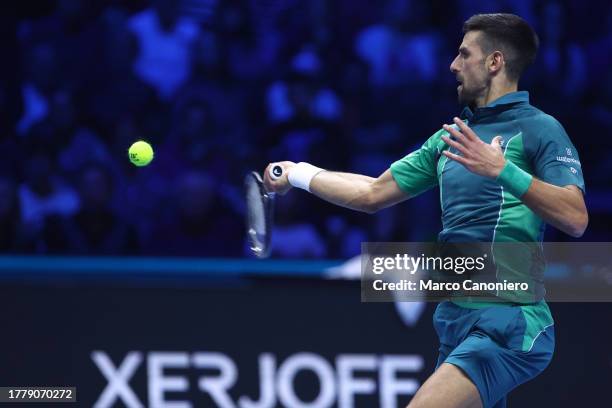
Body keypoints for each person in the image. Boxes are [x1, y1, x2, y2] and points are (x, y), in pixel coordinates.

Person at [263, 13, 588, 408]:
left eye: (464, 54)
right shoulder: (450, 139)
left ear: (495, 62)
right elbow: (371, 192)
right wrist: (300, 173)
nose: (453, 65)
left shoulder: (541, 129)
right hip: (456, 324)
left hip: (509, 323)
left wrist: (501, 170)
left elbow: (574, 217)